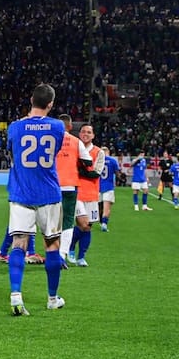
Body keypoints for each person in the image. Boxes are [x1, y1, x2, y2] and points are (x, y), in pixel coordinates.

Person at [6, 83, 66, 316]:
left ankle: (16, 297)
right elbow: (55, 151)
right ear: (50, 104)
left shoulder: (15, 127)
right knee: (51, 245)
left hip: (21, 193)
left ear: (31, 99)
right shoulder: (58, 126)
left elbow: (11, 152)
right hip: (49, 194)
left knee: (18, 245)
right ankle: (52, 298)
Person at [55, 113, 92, 267]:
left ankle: (51, 253)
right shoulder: (76, 141)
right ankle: (61, 255)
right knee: (68, 222)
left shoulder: (50, 140)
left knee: (51, 222)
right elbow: (88, 162)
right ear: (70, 126)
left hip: (51, 186)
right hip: (69, 186)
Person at [67, 125, 105, 267]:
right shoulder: (73, 148)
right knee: (82, 223)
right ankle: (70, 248)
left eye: (89, 132)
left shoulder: (99, 152)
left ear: (93, 135)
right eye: (83, 131)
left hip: (92, 193)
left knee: (87, 227)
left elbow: (96, 173)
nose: (85, 134)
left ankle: (81, 256)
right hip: (76, 192)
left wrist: (78, 171)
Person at [99, 146, 121, 232]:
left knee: (99, 206)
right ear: (108, 152)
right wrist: (119, 179)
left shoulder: (97, 160)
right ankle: (104, 224)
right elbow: (117, 173)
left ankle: (100, 220)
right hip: (108, 187)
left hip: (98, 187)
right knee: (107, 208)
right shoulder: (112, 161)